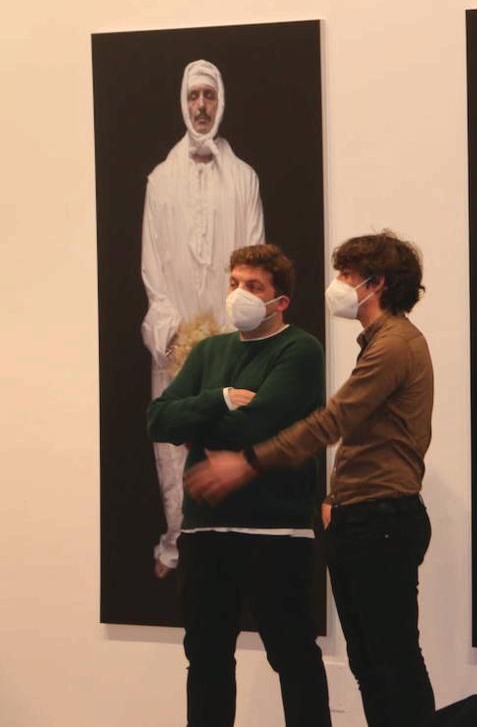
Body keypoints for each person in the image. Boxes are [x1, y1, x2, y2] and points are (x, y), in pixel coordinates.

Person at [187, 231, 436, 727]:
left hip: (382, 520)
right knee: (371, 665)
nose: (339, 284)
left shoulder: (394, 345)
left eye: (346, 275)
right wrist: (336, 496)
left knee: (392, 663)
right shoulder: (382, 343)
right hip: (362, 516)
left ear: (377, 283)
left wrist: (247, 461)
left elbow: (332, 421)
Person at [146, 243, 328, 726]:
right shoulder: (209, 352)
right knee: (205, 658)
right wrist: (222, 399)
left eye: (253, 287)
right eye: (234, 283)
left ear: (280, 300)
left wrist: (198, 423)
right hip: (205, 532)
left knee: (293, 656)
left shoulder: (301, 349)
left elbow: (266, 425)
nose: (238, 294)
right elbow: (159, 421)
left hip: (276, 532)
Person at [142, 58, 265, 577]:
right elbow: (152, 264)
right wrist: (170, 332)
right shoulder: (160, 180)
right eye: (193, 96)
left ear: (221, 102)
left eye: (208, 97)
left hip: (228, 335)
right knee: (173, 444)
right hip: (176, 339)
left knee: (229, 437)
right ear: (182, 101)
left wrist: (237, 324)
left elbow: (256, 255)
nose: (200, 107)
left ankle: (227, 548)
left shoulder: (243, 178)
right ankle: (177, 540)